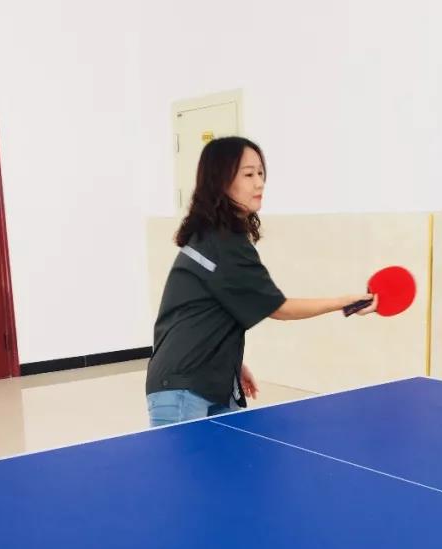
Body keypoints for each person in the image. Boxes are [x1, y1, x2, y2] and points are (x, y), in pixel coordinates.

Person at [145, 136, 377, 427]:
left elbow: (201, 313)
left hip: (204, 382)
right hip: (182, 389)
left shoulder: (214, 236)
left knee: (232, 457)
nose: (259, 183)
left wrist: (231, 363)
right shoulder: (222, 243)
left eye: (260, 173)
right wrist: (343, 302)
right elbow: (279, 308)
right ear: (221, 181)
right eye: (248, 174)